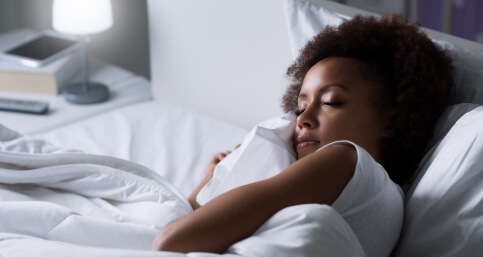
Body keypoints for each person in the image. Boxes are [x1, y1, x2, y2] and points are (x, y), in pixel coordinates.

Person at [151, 14, 453, 257]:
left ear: (393, 116)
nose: (303, 120)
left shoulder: (344, 159)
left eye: (332, 101)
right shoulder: (386, 200)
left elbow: (171, 238)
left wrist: (211, 186)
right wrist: (211, 178)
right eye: (300, 108)